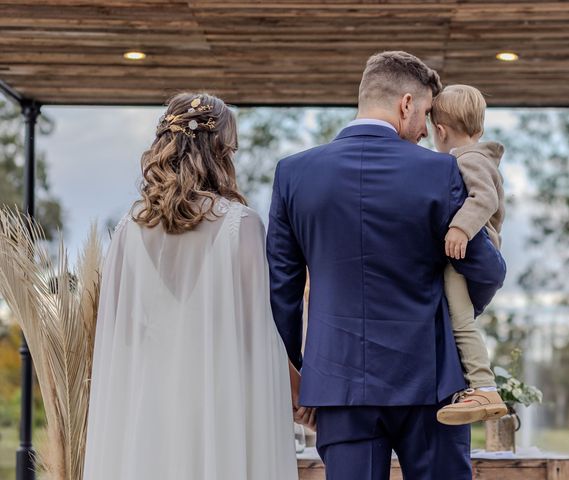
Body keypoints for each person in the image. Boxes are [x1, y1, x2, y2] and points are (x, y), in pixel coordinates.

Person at [267, 51, 507, 480]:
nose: (426, 131)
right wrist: (460, 317)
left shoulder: (293, 174)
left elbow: (281, 289)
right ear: (407, 104)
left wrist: (296, 377)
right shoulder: (440, 172)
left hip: (337, 385)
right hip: (432, 381)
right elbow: (487, 269)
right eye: (427, 114)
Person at [82, 92, 299, 480]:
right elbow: (259, 335)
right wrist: (298, 390)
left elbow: (120, 338)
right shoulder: (241, 225)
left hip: (147, 409)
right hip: (218, 406)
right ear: (220, 149)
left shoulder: (128, 230)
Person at [430, 84, 509, 426]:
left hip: (470, 253)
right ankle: (470, 386)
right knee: (457, 321)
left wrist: (460, 228)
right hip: (466, 256)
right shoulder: (470, 156)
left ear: (440, 130)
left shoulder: (470, 159)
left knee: (461, 323)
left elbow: (485, 198)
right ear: (478, 128)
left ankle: (484, 386)